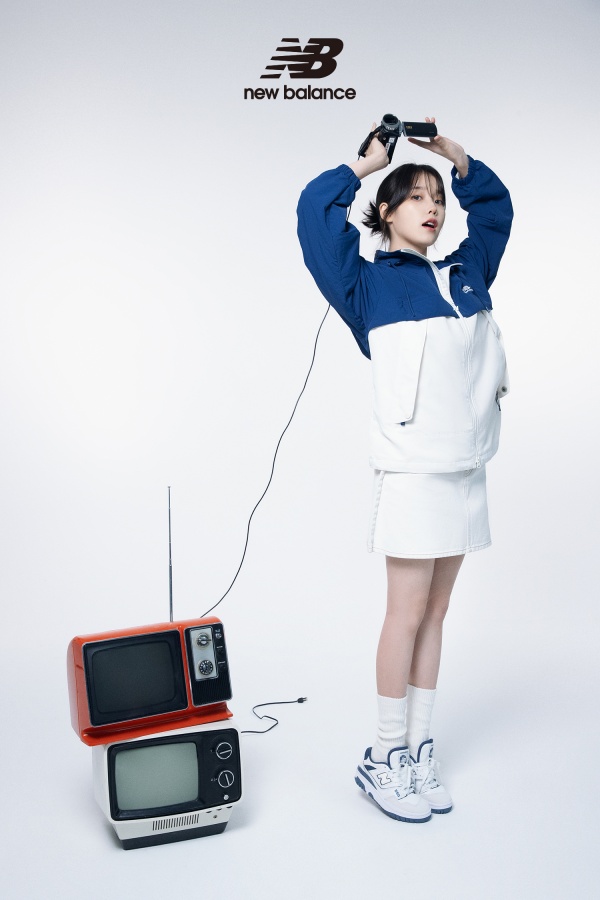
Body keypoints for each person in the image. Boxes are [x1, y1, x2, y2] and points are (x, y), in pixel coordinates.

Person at [297, 118, 512, 823]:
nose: (433, 207)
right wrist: (364, 167)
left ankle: (418, 749)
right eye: (416, 197)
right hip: (415, 472)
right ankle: (384, 754)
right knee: (407, 612)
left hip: (466, 469)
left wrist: (458, 162)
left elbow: (496, 212)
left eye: (438, 199)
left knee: (438, 613)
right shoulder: (365, 283)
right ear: (386, 212)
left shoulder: (465, 271)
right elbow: (312, 212)